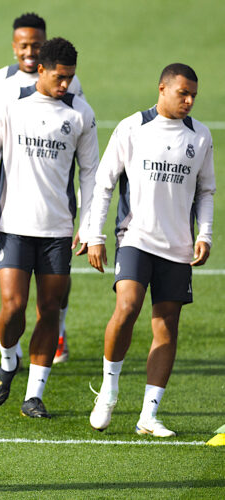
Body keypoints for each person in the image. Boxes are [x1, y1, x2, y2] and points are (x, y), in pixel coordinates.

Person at [86, 64, 215, 437]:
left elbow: (206, 191)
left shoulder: (201, 136)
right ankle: (108, 391)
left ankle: (148, 415)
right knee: (126, 308)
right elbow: (104, 183)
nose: (189, 101)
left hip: (178, 246)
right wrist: (95, 235)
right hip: (135, 237)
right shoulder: (132, 127)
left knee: (166, 327)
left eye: (193, 96)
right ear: (162, 88)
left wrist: (204, 234)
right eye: (183, 94)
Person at [0, 38, 99, 418]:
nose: (66, 85)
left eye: (71, 78)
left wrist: (89, 225)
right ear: (41, 70)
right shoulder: (11, 108)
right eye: (60, 77)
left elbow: (91, 173)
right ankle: (9, 361)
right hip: (13, 226)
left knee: (49, 309)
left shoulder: (80, 113)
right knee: (13, 309)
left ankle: (34, 395)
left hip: (58, 231)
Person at [0, 12, 85, 364]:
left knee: (53, 292)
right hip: (15, 196)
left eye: (36, 44)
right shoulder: (1, 82)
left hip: (57, 204)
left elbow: (77, 139)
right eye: (24, 45)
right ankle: (11, 357)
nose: (30, 51)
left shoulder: (70, 88)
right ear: (14, 47)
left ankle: (59, 331)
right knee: (14, 303)